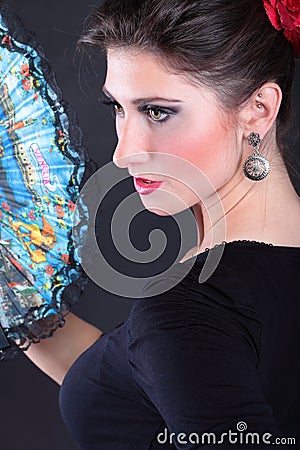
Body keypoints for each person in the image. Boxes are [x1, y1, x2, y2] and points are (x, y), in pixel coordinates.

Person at [22, 0, 300, 448]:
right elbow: (137, 380)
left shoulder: (191, 310)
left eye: (156, 111)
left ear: (259, 109)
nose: (124, 152)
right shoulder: (197, 318)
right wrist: (14, 288)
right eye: (117, 108)